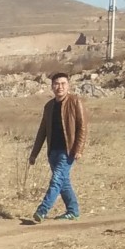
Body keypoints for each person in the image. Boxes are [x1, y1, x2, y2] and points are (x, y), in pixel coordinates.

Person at [26, 71, 87, 224]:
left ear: (68, 85)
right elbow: (42, 131)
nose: (60, 87)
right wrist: (34, 154)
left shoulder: (75, 102)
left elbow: (82, 127)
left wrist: (78, 149)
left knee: (56, 180)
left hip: (68, 151)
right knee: (63, 183)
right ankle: (73, 211)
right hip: (53, 151)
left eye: (63, 84)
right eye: (56, 84)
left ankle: (42, 210)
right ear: (52, 87)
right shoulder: (49, 106)